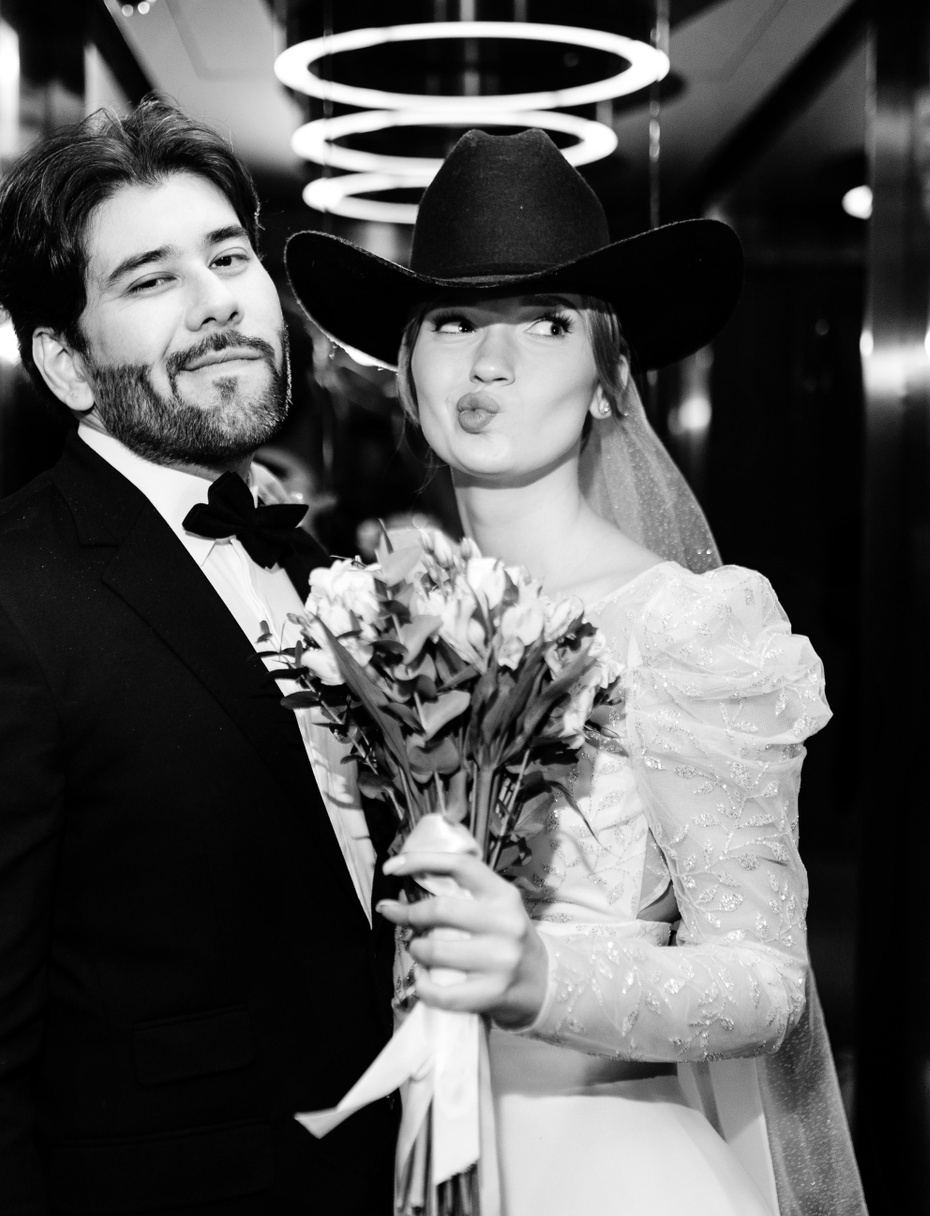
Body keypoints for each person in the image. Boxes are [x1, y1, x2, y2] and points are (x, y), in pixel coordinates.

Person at [286, 129, 867, 1216]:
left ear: (608, 384)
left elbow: (766, 983)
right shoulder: (363, 623)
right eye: (453, 322)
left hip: (611, 1167)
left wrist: (539, 978)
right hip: (408, 1154)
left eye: (546, 323)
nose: (490, 363)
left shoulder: (687, 625)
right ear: (407, 370)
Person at [0, 99, 395, 1215]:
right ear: (65, 363)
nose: (217, 302)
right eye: (151, 280)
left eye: (229, 258)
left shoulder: (322, 569)